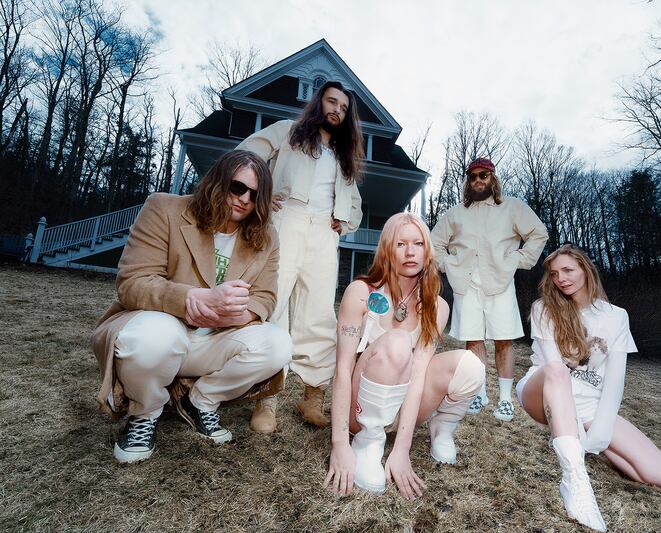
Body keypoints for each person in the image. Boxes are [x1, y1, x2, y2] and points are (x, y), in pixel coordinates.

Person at [91, 150, 292, 463]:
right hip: (164, 329)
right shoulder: (165, 208)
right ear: (217, 180)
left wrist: (240, 312)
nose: (244, 200)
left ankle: (203, 400)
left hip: (213, 339)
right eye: (237, 188)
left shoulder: (267, 238)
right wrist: (190, 299)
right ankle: (145, 412)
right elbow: (132, 282)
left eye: (255, 195)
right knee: (151, 337)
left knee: (278, 344)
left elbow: (265, 297)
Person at [517, 244, 661, 531]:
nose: (561, 279)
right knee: (557, 370)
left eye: (568, 270)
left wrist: (599, 434)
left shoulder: (616, 316)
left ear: (585, 269)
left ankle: (587, 447)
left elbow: (615, 381)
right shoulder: (544, 307)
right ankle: (575, 481)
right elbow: (554, 369)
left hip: (589, 406)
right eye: (555, 274)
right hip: (543, 391)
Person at [324, 213, 485, 499]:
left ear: (427, 250)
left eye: (418, 243)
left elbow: (419, 374)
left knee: (470, 365)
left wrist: (401, 449)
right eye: (401, 244)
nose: (410, 252)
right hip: (358, 410)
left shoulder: (437, 307)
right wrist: (339, 443)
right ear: (387, 249)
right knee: (397, 342)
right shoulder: (360, 293)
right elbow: (341, 369)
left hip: (399, 409)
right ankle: (368, 442)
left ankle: (442, 426)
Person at [236, 81, 364, 432]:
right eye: (331, 101)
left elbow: (355, 205)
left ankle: (313, 394)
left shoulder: (343, 157)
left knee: (319, 311)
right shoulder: (287, 133)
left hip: (325, 232)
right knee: (273, 304)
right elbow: (246, 156)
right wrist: (261, 191)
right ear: (318, 103)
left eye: (343, 107)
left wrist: (345, 220)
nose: (336, 109)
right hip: (286, 221)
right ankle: (267, 397)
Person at [431, 157, 548, 421]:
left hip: (500, 282)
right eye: (472, 177)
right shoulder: (455, 213)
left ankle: (505, 400)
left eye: (483, 175)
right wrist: (449, 264)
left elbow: (538, 233)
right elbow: (433, 243)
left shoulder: (513, 208)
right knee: (473, 339)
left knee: (503, 339)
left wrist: (518, 259)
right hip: (466, 283)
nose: (478, 181)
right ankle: (479, 393)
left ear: (493, 179)